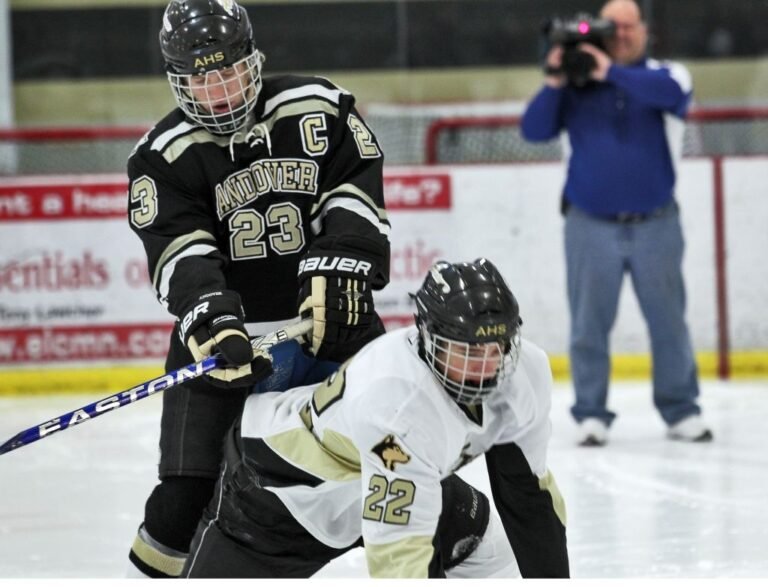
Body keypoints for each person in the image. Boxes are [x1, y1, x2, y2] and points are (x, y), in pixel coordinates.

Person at [125, 0, 391, 577]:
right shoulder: (162, 155)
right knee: (180, 503)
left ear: (253, 59)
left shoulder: (319, 107)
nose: (219, 91)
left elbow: (356, 196)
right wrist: (211, 320)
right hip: (227, 346)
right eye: (201, 78)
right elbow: (181, 251)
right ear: (178, 81)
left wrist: (340, 270)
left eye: (229, 71)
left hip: (333, 322)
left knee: (400, 462)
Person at [180, 258, 570, 578]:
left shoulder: (526, 373)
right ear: (428, 337)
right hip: (280, 494)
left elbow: (528, 496)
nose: (486, 367)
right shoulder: (396, 403)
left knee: (488, 547)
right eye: (466, 351)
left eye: (496, 347)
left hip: (386, 472)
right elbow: (400, 557)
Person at [521, 0, 712, 447]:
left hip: (657, 223)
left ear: (645, 31)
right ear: (602, 33)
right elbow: (533, 130)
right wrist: (554, 79)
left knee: (669, 321)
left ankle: (681, 409)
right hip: (589, 224)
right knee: (589, 324)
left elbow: (675, 97)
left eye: (629, 27)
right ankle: (591, 413)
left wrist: (610, 72)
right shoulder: (575, 85)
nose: (622, 34)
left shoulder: (666, 74)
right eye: (613, 28)